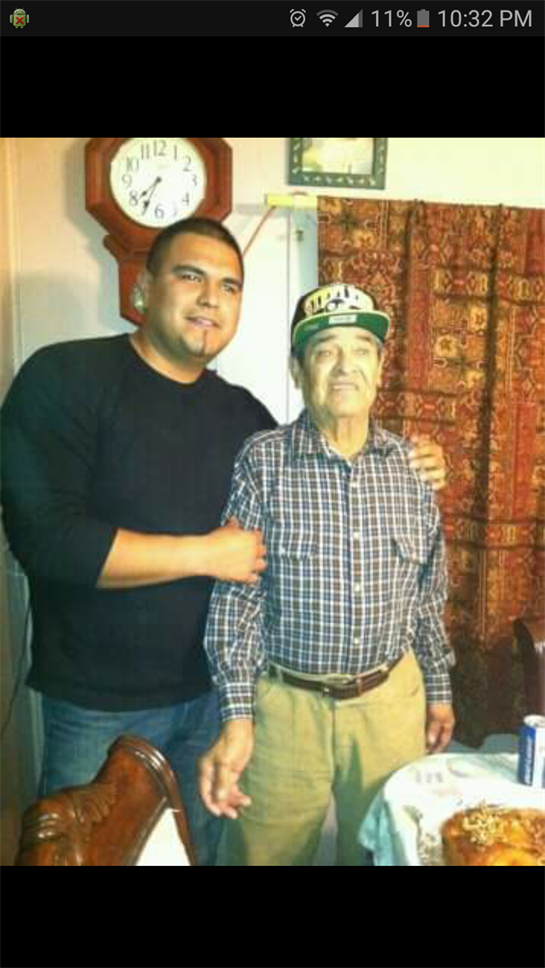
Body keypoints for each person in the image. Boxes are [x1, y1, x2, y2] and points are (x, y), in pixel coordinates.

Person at [0, 220, 445, 867]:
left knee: (203, 854)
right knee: (86, 855)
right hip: (100, 703)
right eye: (191, 276)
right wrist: (206, 553)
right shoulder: (65, 376)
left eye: (229, 286)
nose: (210, 297)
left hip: (213, 696)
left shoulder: (245, 419)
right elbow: (45, 540)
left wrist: (416, 460)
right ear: (143, 288)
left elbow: (326, 490)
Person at [199, 282, 455, 867]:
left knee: (384, 854)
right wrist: (238, 717)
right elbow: (237, 598)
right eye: (325, 350)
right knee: (261, 857)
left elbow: (426, 594)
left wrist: (438, 691)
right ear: (298, 370)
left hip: (391, 704)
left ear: (381, 368)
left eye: (361, 349)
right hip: (287, 709)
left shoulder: (415, 468)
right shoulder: (262, 460)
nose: (345, 366)